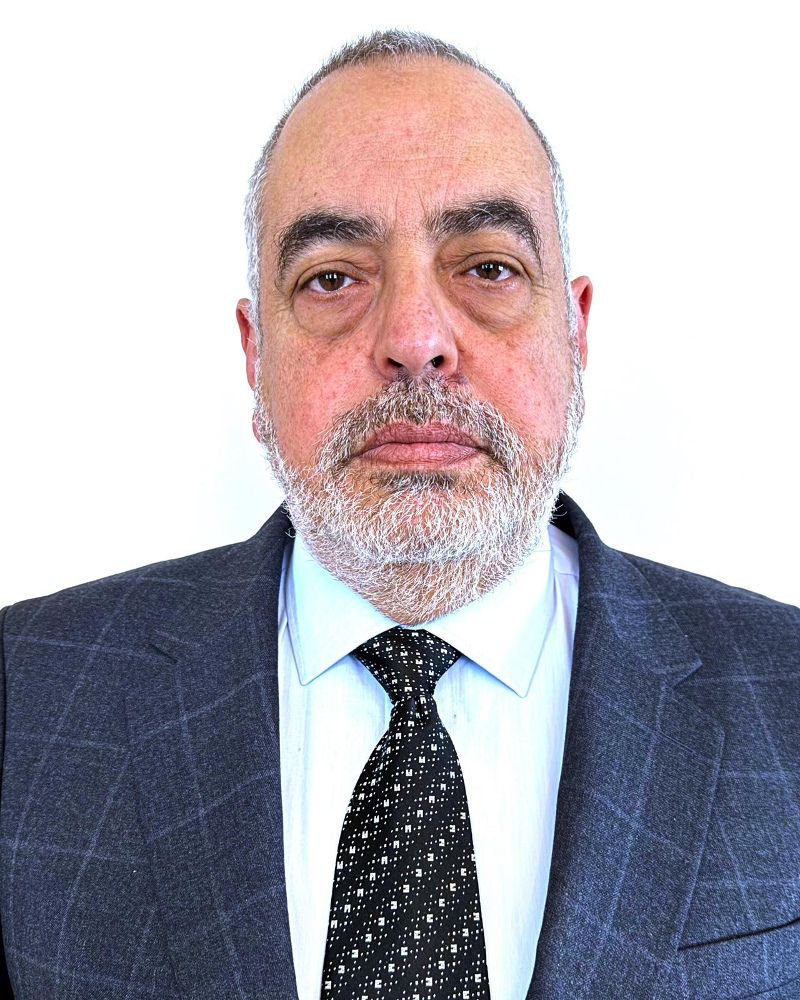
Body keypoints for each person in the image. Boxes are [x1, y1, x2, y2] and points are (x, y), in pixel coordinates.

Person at [1, 28, 798, 1000]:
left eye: (487, 268)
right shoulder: (24, 701)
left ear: (575, 331)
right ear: (256, 355)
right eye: (332, 276)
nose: (415, 341)